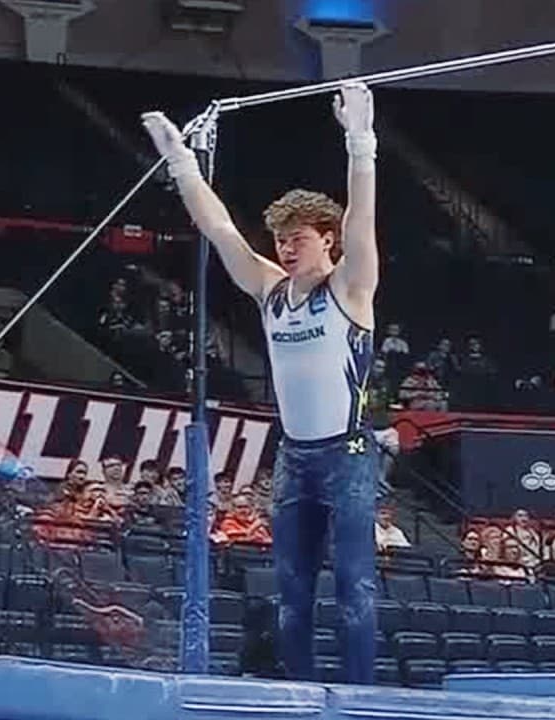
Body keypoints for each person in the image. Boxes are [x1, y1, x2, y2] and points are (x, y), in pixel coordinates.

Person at [142, 81, 379, 683]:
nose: (285, 247)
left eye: (297, 238)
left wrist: (360, 143)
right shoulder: (270, 290)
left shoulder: (349, 289)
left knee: (354, 589)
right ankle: (298, 695)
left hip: (347, 455)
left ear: (326, 239)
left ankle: (360, 699)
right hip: (296, 458)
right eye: (280, 239)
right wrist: (182, 164)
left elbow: (362, 221)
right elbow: (220, 229)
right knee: (291, 596)